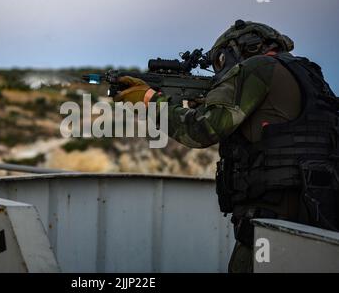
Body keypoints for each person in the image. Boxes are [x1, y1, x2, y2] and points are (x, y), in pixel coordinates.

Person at [113, 20, 339, 272]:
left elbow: (201, 130)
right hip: (318, 215)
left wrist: (149, 101)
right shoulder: (311, 75)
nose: (221, 70)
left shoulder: (257, 67)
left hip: (272, 219)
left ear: (245, 47)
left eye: (220, 61)